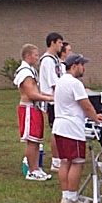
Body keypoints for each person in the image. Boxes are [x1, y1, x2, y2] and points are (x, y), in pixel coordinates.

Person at [53, 53, 102, 203]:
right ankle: (72, 196)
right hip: (72, 128)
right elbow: (86, 105)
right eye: (82, 65)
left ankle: (66, 195)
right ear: (74, 66)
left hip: (59, 126)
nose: (84, 68)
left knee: (65, 161)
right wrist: (96, 118)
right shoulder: (75, 83)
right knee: (77, 162)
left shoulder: (61, 81)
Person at [13, 44, 55, 181]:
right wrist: (50, 98)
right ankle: (32, 171)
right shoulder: (25, 72)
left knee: (36, 141)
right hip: (28, 109)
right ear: (28, 56)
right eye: (36, 55)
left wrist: (51, 96)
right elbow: (31, 94)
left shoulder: (31, 71)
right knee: (31, 141)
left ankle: (36, 168)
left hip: (34, 109)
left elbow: (37, 91)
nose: (37, 58)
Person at [39, 32, 64, 172]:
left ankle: (60, 157)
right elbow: (53, 82)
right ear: (53, 42)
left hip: (57, 99)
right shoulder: (48, 60)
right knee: (56, 129)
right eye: (59, 42)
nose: (61, 45)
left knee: (59, 129)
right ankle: (56, 161)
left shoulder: (54, 59)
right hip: (52, 101)